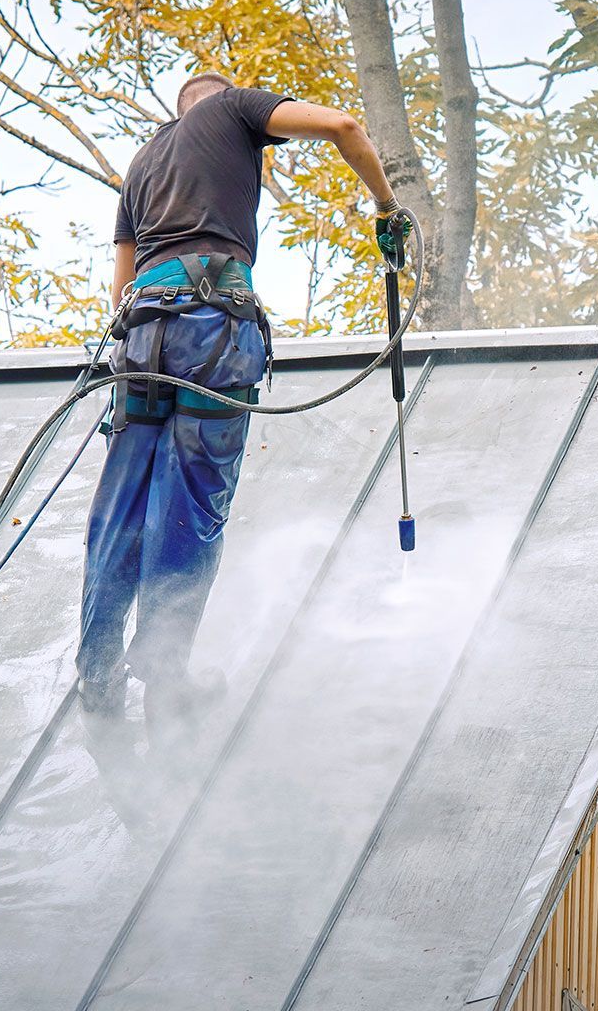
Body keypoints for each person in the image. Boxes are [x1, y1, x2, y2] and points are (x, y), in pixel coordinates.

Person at [77, 73, 401, 724]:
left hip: (141, 338)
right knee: (193, 501)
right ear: (229, 98)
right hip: (211, 327)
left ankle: (97, 672)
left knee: (123, 504)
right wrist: (387, 212)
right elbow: (344, 128)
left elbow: (119, 285)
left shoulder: (142, 163)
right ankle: (166, 675)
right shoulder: (233, 108)